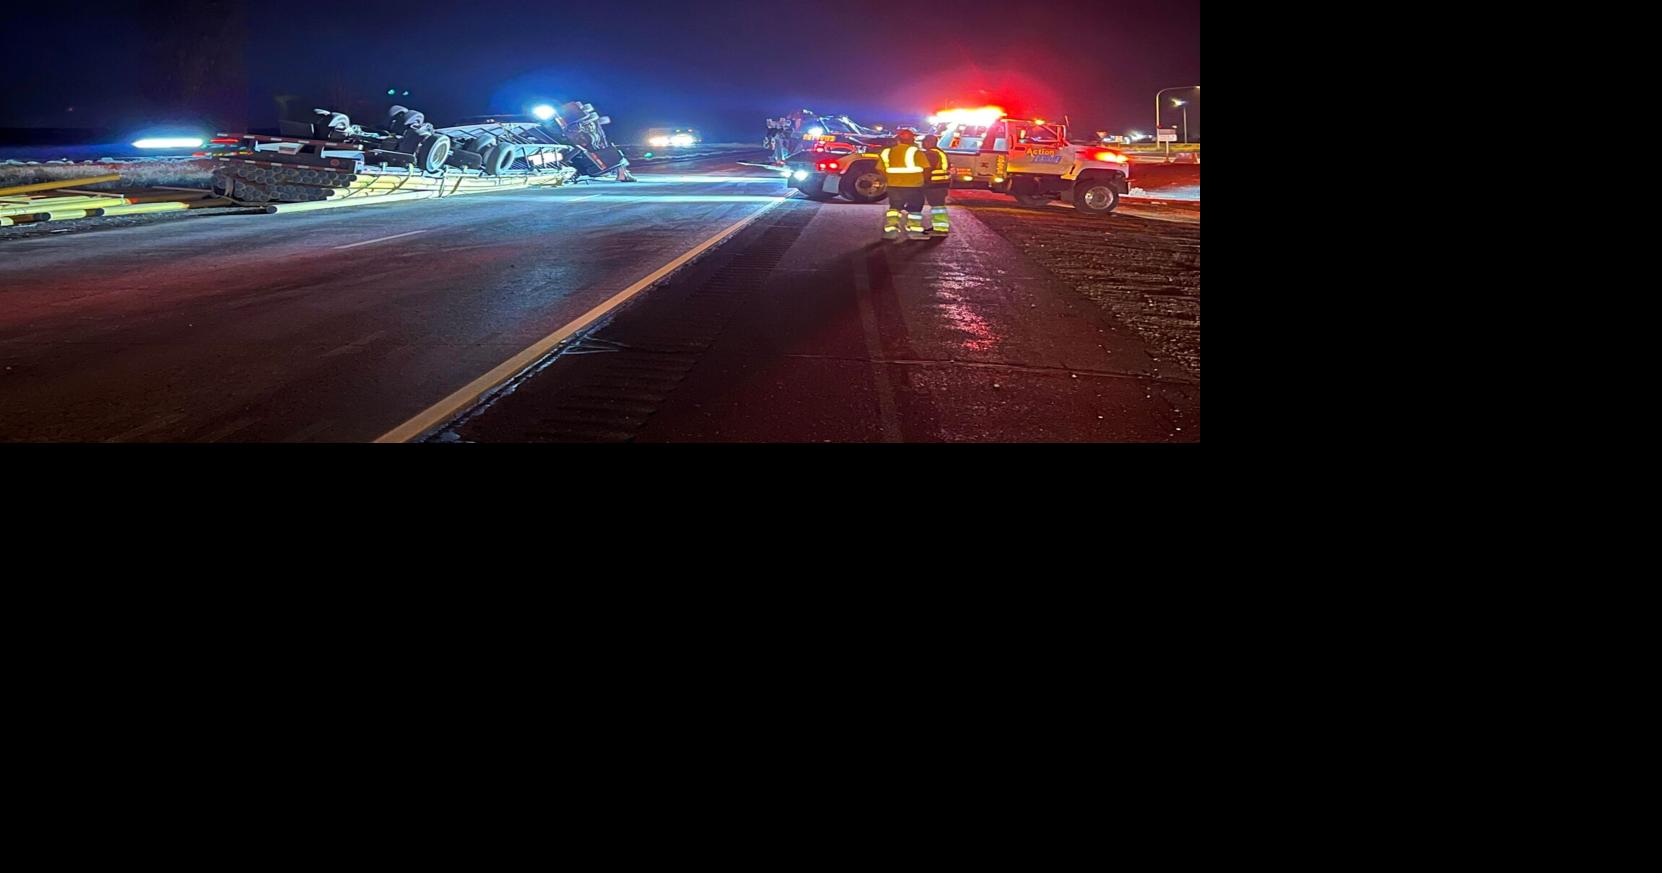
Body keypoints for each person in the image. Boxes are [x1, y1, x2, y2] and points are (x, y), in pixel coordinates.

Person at [878, 127, 927, 241]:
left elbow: (880, 169)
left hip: (894, 185)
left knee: (894, 208)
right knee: (915, 209)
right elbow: (926, 168)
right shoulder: (916, 151)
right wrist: (924, 180)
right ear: (912, 139)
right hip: (914, 185)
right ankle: (914, 232)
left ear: (898, 139)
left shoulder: (887, 151)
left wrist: (889, 178)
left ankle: (891, 232)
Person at [919, 133, 951, 237]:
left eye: (924, 141)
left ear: (929, 142)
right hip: (941, 183)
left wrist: (923, 181)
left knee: (937, 206)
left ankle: (940, 228)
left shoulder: (931, 153)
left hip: (935, 184)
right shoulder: (939, 152)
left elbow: (928, 169)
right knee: (938, 206)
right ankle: (939, 226)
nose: (923, 144)